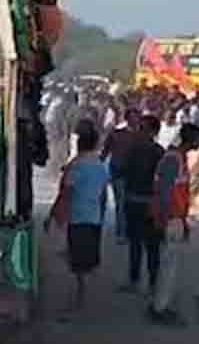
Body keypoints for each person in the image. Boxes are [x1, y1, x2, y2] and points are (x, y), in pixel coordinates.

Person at [46, 120, 109, 317]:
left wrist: (54, 214)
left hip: (77, 216)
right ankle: (82, 297)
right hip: (93, 217)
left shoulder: (75, 166)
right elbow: (103, 195)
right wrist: (101, 215)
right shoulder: (100, 166)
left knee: (77, 261)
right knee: (86, 259)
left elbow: (66, 194)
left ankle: (79, 300)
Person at [149, 122, 199, 327]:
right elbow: (165, 191)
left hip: (175, 217)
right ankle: (160, 307)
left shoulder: (177, 158)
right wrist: (164, 218)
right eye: (198, 140)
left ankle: (160, 304)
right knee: (168, 265)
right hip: (170, 217)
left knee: (169, 264)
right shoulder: (173, 160)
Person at [120, 114, 166, 296]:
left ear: (153, 132)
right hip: (136, 201)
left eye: (143, 128)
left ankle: (148, 282)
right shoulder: (138, 150)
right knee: (138, 244)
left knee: (148, 246)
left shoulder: (155, 152)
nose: (139, 132)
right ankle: (139, 280)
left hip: (147, 203)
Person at [101, 108, 142, 241]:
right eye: (132, 117)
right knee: (121, 202)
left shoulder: (142, 136)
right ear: (127, 119)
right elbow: (105, 152)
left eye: (137, 118)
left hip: (136, 175)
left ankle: (130, 230)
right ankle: (121, 232)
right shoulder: (116, 134)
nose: (135, 120)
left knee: (132, 203)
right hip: (119, 173)